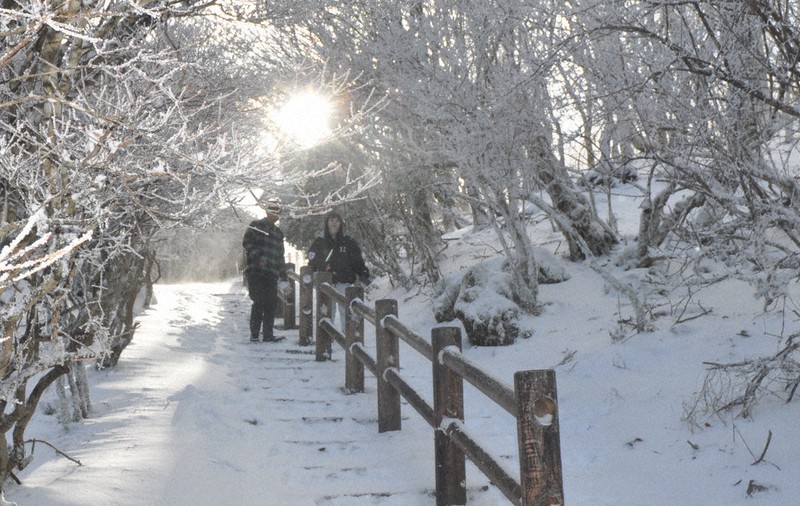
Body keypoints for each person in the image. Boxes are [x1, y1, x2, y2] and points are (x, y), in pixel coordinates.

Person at [307, 210, 370, 329]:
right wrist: (322, 266)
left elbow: (357, 261)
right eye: (331, 220)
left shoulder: (348, 242)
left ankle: (348, 339)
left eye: (337, 221)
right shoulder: (319, 242)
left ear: (341, 224)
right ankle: (325, 340)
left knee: (346, 311)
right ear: (327, 223)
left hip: (345, 281)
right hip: (326, 283)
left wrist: (364, 274)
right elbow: (311, 258)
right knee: (326, 312)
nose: (334, 223)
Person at [242, 203, 287, 342]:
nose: (276, 215)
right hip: (256, 271)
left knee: (271, 304)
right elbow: (247, 243)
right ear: (267, 212)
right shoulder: (256, 226)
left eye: (278, 213)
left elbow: (280, 255)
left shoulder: (278, 233)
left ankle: (268, 334)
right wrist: (258, 257)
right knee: (258, 301)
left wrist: (283, 273)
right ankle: (254, 334)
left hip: (271, 273)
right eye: (273, 212)